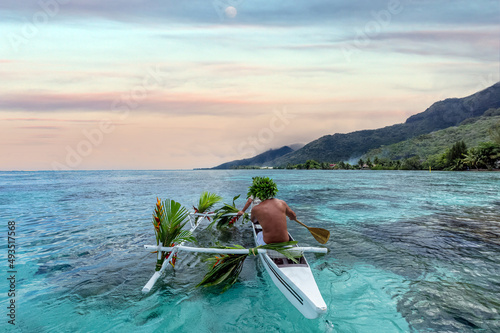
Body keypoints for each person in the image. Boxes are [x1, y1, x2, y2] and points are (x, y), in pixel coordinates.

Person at [237, 177, 297, 245]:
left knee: (259, 234)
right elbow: (293, 215)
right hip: (285, 240)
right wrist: (293, 218)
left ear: (258, 193)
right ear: (272, 191)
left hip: (268, 242)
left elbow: (253, 220)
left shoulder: (256, 209)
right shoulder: (282, 203)